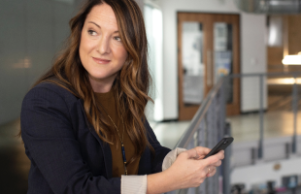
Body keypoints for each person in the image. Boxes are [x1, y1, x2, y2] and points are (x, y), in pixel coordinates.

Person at [20, 0, 224, 193]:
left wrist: (176, 160)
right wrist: (169, 181)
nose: (102, 48)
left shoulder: (125, 95)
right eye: (93, 32)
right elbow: (76, 189)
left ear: (132, 47)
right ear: (79, 34)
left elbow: (148, 154)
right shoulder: (44, 102)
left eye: (117, 37)